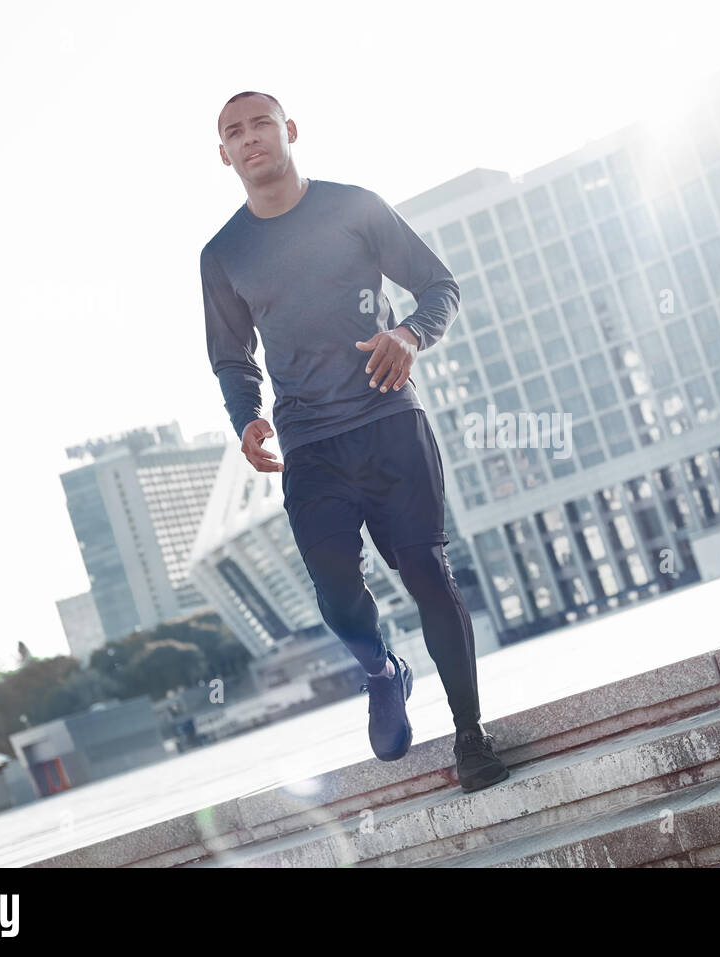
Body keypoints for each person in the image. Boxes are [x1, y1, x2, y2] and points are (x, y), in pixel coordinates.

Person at [200, 90, 508, 793]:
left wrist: (408, 334)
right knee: (338, 597)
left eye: (261, 124)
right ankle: (382, 671)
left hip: (392, 422)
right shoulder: (222, 255)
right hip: (311, 445)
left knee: (428, 572)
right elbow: (230, 356)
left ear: (290, 130)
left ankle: (471, 738)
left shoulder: (354, 207)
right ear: (223, 152)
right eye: (233, 132)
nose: (250, 138)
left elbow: (440, 286)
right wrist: (245, 415)